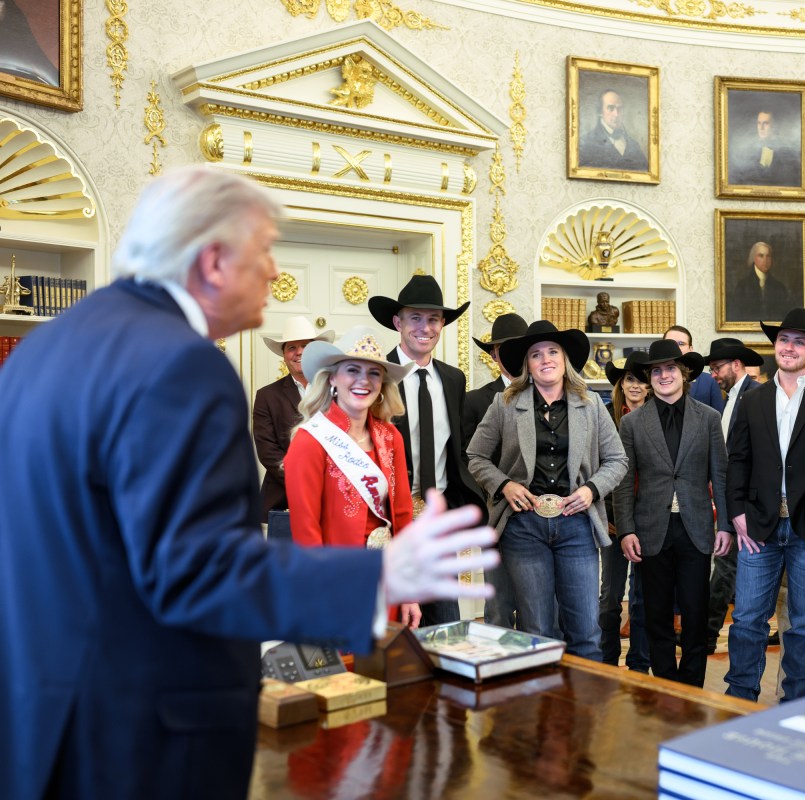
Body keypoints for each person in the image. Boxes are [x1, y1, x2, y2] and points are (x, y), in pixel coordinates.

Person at [0, 167, 498, 799]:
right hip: (142, 734)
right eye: (263, 250)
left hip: (45, 717)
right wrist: (379, 577)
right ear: (213, 261)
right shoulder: (181, 365)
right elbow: (193, 570)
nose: (273, 270)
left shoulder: (48, 346)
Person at [467, 320, 628, 659]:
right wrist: (504, 484)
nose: (545, 359)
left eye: (553, 351)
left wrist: (592, 491)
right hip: (524, 527)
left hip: (577, 525)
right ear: (527, 364)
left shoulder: (592, 405)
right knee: (536, 630)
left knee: (585, 630)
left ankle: (583, 710)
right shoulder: (505, 403)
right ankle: (540, 708)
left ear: (565, 358)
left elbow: (617, 460)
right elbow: (476, 456)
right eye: (536, 354)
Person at [724, 309, 805, 701]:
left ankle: (796, 706)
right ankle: (739, 701)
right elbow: (736, 460)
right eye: (783, 340)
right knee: (746, 621)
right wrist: (737, 513)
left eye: (799, 342)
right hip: (758, 525)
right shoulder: (753, 399)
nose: (789, 347)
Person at [284, 325, 423, 627]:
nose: (364, 381)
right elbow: (305, 528)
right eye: (352, 370)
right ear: (332, 378)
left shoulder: (391, 436)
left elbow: (402, 514)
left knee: (387, 667)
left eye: (374, 373)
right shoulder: (309, 440)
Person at [615, 339, 731, 687]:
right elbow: (622, 482)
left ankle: (692, 687)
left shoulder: (709, 418)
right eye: (656, 371)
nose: (664, 375)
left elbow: (720, 476)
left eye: (670, 369)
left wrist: (725, 524)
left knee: (696, 613)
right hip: (651, 529)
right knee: (656, 613)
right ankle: (666, 684)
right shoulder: (633, 423)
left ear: (683, 374)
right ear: (650, 378)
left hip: (696, 527)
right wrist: (626, 530)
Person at [369, 274, 484, 627]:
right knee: (394, 624)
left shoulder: (453, 378)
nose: (425, 327)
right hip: (389, 518)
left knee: (445, 623)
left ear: (443, 324)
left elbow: (458, 449)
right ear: (397, 322)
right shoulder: (376, 374)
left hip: (438, 516)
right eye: (415, 318)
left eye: (433, 319)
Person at [463, 312, 529, 629]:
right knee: (500, 607)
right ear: (493, 354)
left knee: (541, 607)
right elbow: (469, 460)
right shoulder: (475, 402)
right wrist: (487, 506)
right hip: (496, 517)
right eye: (507, 348)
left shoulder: (549, 395)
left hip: (541, 516)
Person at [702, 337, 764, 653]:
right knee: (726, 567)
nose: (713, 374)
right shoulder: (730, 399)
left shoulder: (755, 396)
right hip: (729, 499)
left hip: (747, 503)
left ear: (736, 365)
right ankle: (710, 634)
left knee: (725, 568)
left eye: (717, 368)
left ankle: (708, 635)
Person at [253, 316, 334, 524]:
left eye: (306, 346)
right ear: (284, 355)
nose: (299, 352)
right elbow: (268, 453)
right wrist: (306, 483)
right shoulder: (266, 396)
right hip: (283, 500)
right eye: (292, 348)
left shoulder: (337, 390)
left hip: (334, 498)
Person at [599, 353, 651, 670]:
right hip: (611, 523)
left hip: (648, 521)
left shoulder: (658, 419)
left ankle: (639, 661)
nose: (634, 385)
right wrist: (603, 516)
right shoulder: (605, 417)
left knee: (642, 597)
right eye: (629, 379)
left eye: (640, 379)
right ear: (621, 383)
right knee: (609, 597)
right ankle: (606, 659)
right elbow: (594, 469)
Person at [578, 89, 648, 172]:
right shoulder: (585, 143)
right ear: (600, 112)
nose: (616, 114)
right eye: (611, 108)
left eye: (620, 109)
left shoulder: (634, 145)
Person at [729, 110, 800, 187]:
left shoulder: (787, 154)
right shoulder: (749, 151)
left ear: (774, 126)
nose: (761, 128)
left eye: (765, 123)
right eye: (759, 123)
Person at [727, 242, 795, 323]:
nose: (765, 260)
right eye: (761, 256)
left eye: (768, 256)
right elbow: (736, 316)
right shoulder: (742, 286)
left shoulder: (779, 287)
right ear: (753, 258)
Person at [662, 325, 725, 413]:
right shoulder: (656, 380)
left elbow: (718, 419)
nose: (676, 348)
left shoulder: (709, 381)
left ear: (691, 349)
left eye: (681, 344)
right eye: (670, 343)